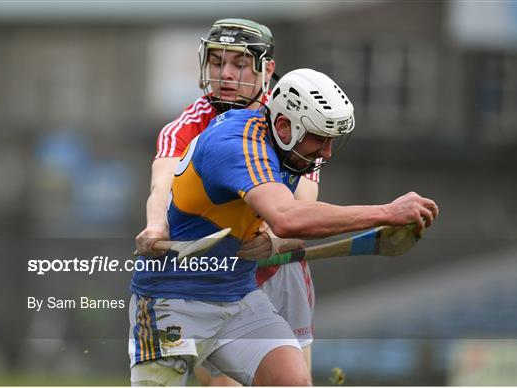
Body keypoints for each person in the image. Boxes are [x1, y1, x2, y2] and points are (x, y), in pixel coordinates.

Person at [129, 68, 439, 386]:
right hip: (173, 300)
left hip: (238, 297)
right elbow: (288, 218)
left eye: (331, 140)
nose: (327, 151)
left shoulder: (287, 149)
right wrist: (387, 212)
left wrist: (274, 241)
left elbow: (293, 224)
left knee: (293, 381)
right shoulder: (238, 144)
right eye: (319, 138)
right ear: (283, 125)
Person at [135, 19, 319, 386]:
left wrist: (269, 236)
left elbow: (303, 202)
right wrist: (157, 225)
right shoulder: (185, 127)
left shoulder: (290, 124)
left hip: (277, 274)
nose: (226, 74)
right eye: (217, 63)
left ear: (266, 69)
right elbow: (162, 187)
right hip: (212, 279)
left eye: (239, 64)